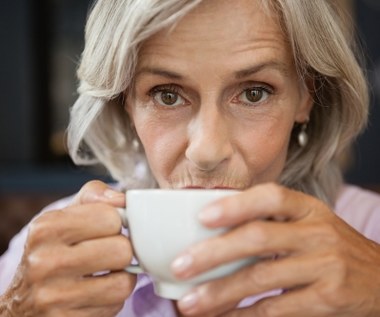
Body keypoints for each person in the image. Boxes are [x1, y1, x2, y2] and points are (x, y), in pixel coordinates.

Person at [1, 0, 380, 316]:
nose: (207, 151)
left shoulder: (371, 231)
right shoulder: (54, 251)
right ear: (126, 105)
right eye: (167, 95)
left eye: (254, 93)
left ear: (305, 97)